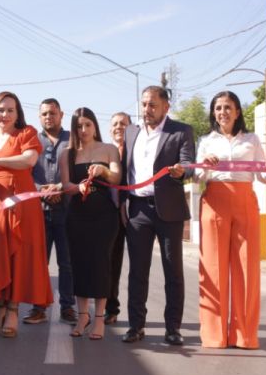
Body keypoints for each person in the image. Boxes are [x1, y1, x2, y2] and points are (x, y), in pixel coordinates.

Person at [196, 90, 266, 349]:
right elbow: (197, 180)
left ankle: (244, 335)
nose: (223, 112)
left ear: (238, 111)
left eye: (228, 107)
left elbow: (263, 176)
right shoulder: (206, 141)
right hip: (214, 203)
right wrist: (204, 166)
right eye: (218, 108)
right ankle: (214, 335)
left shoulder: (251, 140)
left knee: (247, 269)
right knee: (214, 270)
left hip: (245, 203)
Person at [0, 91, 53, 338]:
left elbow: (28, 161)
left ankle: (13, 310)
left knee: (18, 255)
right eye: (1, 109)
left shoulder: (26, 133)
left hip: (21, 202)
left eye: (10, 110)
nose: (5, 114)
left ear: (18, 113)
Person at [122, 86, 194, 346]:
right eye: (143, 104)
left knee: (173, 272)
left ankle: (173, 328)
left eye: (152, 105)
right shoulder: (132, 132)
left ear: (166, 107)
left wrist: (180, 171)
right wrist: (122, 203)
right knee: (137, 272)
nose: (146, 110)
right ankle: (135, 326)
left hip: (169, 211)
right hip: (138, 210)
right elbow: (124, 169)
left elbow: (188, 165)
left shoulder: (181, 130)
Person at [60, 107, 121, 340]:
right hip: (76, 216)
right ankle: (82, 315)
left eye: (87, 124)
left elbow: (117, 177)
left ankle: (99, 319)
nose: (83, 130)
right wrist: (78, 188)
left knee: (100, 265)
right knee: (79, 265)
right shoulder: (67, 153)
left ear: (95, 125)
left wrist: (104, 170)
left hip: (105, 216)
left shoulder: (109, 149)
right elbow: (65, 185)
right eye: (78, 125)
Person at [26, 98, 77, 324]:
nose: (49, 117)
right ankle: (39, 307)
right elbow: (25, 173)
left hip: (67, 211)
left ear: (61, 115)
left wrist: (60, 188)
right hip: (38, 211)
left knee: (67, 263)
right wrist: (40, 190)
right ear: (39, 117)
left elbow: (80, 170)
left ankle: (68, 307)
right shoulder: (31, 141)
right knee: (39, 263)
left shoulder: (73, 140)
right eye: (45, 113)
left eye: (53, 113)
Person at [106, 111, 132, 325]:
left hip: (133, 213)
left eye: (123, 123)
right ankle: (110, 308)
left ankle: (136, 316)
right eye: (115, 124)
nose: (119, 127)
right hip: (110, 214)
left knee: (138, 266)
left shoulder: (136, 152)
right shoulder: (104, 152)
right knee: (111, 263)